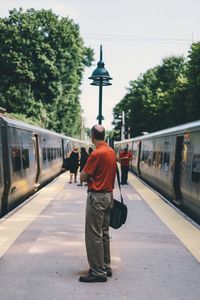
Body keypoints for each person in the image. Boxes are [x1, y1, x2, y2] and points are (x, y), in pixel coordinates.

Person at [79, 124, 116, 283]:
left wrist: (86, 175)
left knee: (93, 234)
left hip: (97, 198)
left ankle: (98, 271)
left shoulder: (96, 154)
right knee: (104, 233)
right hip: (108, 196)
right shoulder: (111, 151)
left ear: (92, 137)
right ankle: (105, 266)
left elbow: (82, 177)